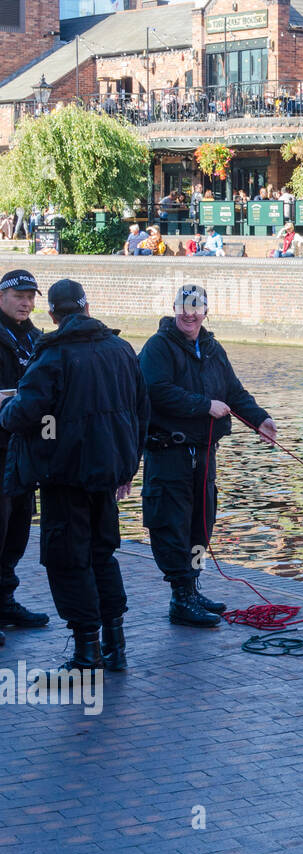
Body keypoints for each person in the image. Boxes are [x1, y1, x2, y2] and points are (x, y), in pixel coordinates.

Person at [0, 280, 148, 671]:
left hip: (64, 476)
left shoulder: (53, 355)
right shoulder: (121, 349)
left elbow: (21, 415)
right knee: (103, 555)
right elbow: (140, 413)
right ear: (86, 308)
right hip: (107, 475)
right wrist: (128, 465)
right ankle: (116, 644)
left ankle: (87, 652)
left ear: (52, 314)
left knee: (69, 560)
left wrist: (6, 408)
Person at [138, 285, 277, 627]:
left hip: (204, 453)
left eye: (196, 307)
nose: (189, 313)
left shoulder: (213, 349)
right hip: (169, 453)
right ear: (174, 309)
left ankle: (194, 586)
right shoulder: (158, 347)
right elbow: (155, 390)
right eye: (183, 307)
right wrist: (204, 406)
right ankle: (180, 596)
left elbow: (233, 392)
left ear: (205, 311)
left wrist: (260, 419)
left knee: (202, 523)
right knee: (171, 523)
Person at [0, 270, 50, 638]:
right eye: (20, 296)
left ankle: (5, 600)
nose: (27, 303)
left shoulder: (36, 338)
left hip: (24, 451)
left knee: (18, 530)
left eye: (32, 297)